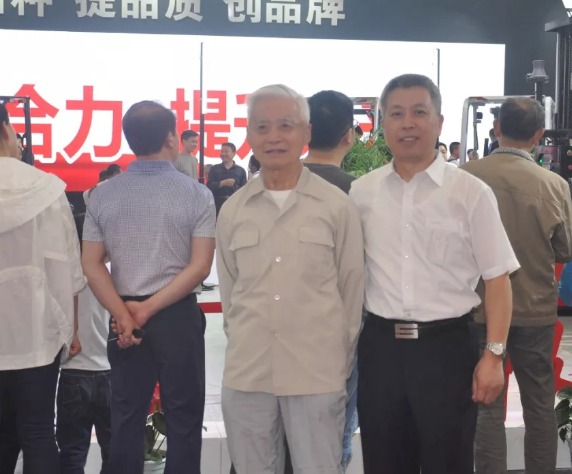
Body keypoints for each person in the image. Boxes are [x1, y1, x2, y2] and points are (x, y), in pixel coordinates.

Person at [350, 74, 519, 474]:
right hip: (380, 350)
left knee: (449, 461)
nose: (408, 123)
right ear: (383, 124)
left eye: (419, 113)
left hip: (447, 350)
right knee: (383, 462)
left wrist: (494, 355)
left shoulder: (470, 193)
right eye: (396, 114)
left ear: (439, 122)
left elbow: (497, 279)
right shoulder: (362, 193)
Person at [217, 84, 364, 474]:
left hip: (316, 373)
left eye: (286, 125)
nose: (274, 137)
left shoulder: (337, 206)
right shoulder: (233, 211)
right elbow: (231, 295)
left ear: (306, 132)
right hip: (248, 374)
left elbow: (352, 289)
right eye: (262, 127)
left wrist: (337, 361)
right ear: (249, 135)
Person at [82, 100, 216, 474]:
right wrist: (149, 309)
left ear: (129, 139)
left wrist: (126, 313)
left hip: (123, 319)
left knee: (125, 417)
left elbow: (91, 263)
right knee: (184, 418)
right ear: (172, 138)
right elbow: (200, 266)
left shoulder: (102, 194)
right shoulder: (196, 194)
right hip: (177, 316)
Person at [462, 97, 572, 474]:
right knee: (539, 405)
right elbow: (565, 248)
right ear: (539, 135)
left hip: (477, 309)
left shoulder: (465, 177)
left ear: (496, 129)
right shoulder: (553, 185)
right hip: (534, 308)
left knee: (486, 404)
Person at [0, 102, 85, 473]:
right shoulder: (46, 189)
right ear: (6, 130)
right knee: (37, 431)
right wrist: (72, 329)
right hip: (37, 334)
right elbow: (68, 266)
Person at [303, 89, 361, 471]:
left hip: (278, 333)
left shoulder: (272, 185)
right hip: (339, 335)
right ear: (349, 136)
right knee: (334, 436)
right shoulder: (357, 191)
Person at [56, 211, 112, 474]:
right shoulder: (110, 275)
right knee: (114, 453)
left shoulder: (63, 277)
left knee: (71, 454)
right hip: (109, 372)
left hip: (73, 373)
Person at [206, 142, 247, 216]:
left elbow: (245, 190)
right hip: (217, 205)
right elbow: (208, 186)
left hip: (235, 205)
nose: (223, 154)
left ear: (234, 153)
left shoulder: (241, 171)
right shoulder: (214, 169)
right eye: (222, 151)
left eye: (226, 151)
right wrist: (222, 183)